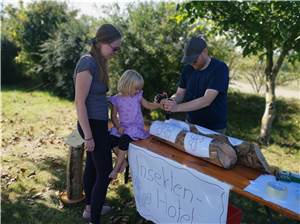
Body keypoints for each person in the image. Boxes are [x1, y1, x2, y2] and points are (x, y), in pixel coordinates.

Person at [73, 24, 122, 224]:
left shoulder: (99, 63)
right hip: (91, 126)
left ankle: (90, 208)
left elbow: (96, 96)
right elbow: (79, 101)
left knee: (92, 170)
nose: (116, 52)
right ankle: (94, 218)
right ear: (102, 43)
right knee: (105, 173)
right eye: (114, 48)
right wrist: (88, 136)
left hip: (99, 124)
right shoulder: (87, 63)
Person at [162, 36, 229, 134]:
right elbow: (180, 94)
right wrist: (172, 101)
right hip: (190, 123)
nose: (192, 63)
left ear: (205, 52)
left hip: (214, 128)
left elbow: (206, 100)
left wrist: (177, 108)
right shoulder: (187, 69)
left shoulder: (219, 68)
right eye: (189, 60)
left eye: (194, 60)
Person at [109, 69, 161, 179]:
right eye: (136, 88)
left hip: (135, 128)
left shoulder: (138, 96)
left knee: (124, 140)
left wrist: (159, 105)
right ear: (127, 85)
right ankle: (123, 162)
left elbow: (148, 105)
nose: (138, 91)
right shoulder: (116, 99)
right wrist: (118, 127)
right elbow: (113, 116)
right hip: (123, 127)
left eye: (139, 89)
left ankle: (116, 168)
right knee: (111, 139)